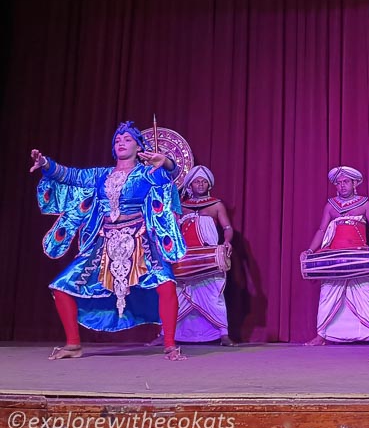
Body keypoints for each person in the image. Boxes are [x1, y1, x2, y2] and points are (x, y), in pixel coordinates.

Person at [30, 121, 187, 361]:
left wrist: (164, 162)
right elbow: (70, 175)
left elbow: (172, 173)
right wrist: (46, 164)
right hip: (103, 241)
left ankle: (169, 345)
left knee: (166, 284)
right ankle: (73, 344)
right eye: (117, 140)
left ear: (139, 146)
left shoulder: (147, 172)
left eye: (127, 139)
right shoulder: (100, 175)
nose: (121, 143)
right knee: (61, 287)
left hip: (139, 239)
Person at [148, 165, 235, 346]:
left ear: (209, 184)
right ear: (190, 185)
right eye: (197, 181)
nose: (201, 184)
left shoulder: (216, 205)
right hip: (184, 257)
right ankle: (165, 334)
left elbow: (227, 227)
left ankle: (223, 334)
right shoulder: (181, 205)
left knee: (213, 295)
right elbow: (171, 228)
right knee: (176, 294)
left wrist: (227, 241)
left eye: (204, 181)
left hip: (207, 258)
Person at [302, 166, 369, 346]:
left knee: (367, 294)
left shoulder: (364, 204)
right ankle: (321, 335)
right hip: (335, 257)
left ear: (354, 183)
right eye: (338, 183)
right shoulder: (330, 206)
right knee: (327, 294)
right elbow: (322, 230)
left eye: (345, 182)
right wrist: (310, 250)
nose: (342, 186)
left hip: (358, 256)